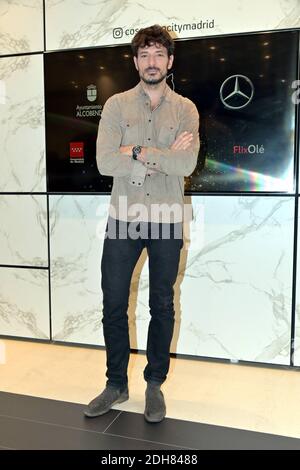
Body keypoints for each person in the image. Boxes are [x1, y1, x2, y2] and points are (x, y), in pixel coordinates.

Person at [84, 24, 200, 423]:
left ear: (169, 61)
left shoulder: (185, 109)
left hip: (167, 216)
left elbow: (185, 164)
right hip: (124, 216)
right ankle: (116, 383)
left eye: (158, 55)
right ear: (135, 62)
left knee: (161, 304)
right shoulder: (116, 106)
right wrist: (158, 153)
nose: (152, 62)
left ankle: (154, 384)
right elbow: (104, 161)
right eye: (144, 55)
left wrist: (133, 150)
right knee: (114, 302)